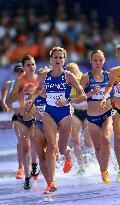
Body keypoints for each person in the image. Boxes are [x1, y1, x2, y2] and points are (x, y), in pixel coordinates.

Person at [33, 47, 86, 194]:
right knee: (51, 146)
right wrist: (31, 99)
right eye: (55, 57)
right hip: (49, 113)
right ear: (51, 60)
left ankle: (68, 155)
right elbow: (39, 91)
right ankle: (52, 183)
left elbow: (83, 95)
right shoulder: (44, 77)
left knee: (61, 149)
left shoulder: (68, 76)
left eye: (60, 58)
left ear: (64, 60)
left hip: (64, 114)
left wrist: (67, 100)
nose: (57, 60)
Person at [80, 50, 112, 184]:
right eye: (95, 60)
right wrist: (91, 93)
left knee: (106, 139)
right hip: (92, 118)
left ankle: (106, 171)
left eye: (100, 60)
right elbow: (77, 98)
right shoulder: (86, 77)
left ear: (104, 61)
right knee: (98, 147)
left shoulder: (109, 75)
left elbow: (111, 88)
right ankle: (103, 170)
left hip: (108, 113)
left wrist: (105, 96)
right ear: (91, 62)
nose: (98, 63)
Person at [9, 55, 40, 190]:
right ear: (24, 67)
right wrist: (23, 92)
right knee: (26, 147)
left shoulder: (40, 78)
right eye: (28, 65)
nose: (31, 67)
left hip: (36, 117)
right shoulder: (20, 81)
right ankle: (27, 177)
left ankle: (34, 164)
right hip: (21, 118)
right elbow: (11, 99)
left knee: (35, 144)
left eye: (33, 64)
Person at [66, 63, 93, 174]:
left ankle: (94, 161)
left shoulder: (85, 79)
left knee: (88, 142)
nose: (71, 74)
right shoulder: (66, 83)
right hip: (76, 113)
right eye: (69, 72)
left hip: (88, 112)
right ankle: (81, 167)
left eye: (73, 71)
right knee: (75, 140)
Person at [1, 63, 25, 179]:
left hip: (31, 116)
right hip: (18, 117)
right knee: (21, 141)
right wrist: (4, 103)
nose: (20, 73)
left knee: (34, 142)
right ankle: (20, 167)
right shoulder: (10, 84)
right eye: (18, 71)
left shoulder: (30, 83)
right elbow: (4, 95)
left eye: (22, 71)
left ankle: (36, 165)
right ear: (14, 73)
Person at [101, 44, 120, 181]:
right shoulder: (114, 71)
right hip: (117, 107)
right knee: (118, 140)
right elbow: (108, 87)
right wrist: (104, 96)